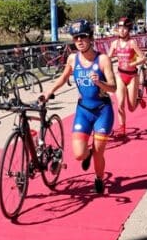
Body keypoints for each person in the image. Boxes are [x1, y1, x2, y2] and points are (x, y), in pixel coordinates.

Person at [42, 19, 116, 195]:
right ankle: (87, 154)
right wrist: (48, 91)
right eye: (76, 38)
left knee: (99, 153)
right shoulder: (72, 58)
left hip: (102, 112)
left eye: (83, 36)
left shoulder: (103, 59)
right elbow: (63, 77)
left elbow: (113, 88)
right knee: (78, 154)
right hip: (83, 111)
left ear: (90, 38)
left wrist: (100, 83)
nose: (79, 41)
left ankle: (99, 178)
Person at [107, 16, 147, 138]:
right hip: (120, 75)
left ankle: (138, 100)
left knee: (131, 107)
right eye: (120, 28)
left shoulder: (132, 43)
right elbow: (108, 58)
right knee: (120, 104)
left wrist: (133, 63)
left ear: (129, 29)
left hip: (132, 76)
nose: (122, 31)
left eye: (124, 28)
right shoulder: (114, 43)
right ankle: (122, 128)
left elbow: (143, 58)